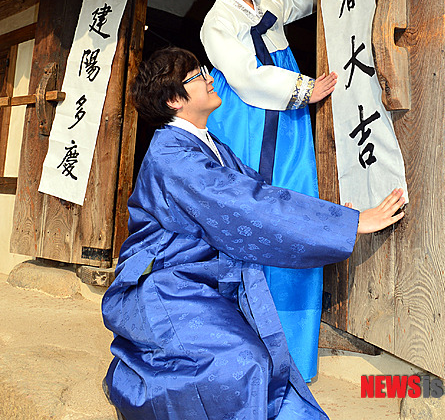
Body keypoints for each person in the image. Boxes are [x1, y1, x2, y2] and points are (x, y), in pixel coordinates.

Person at [101, 46, 405, 420]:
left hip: (201, 282)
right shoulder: (173, 156)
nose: (211, 79)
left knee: (272, 367)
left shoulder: (211, 147)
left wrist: (335, 214)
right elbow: (250, 206)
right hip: (167, 286)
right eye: (197, 77)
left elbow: (262, 192)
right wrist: (351, 223)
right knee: (245, 364)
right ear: (173, 100)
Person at [200, 0, 336, 381]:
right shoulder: (217, 21)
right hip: (249, 116)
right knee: (250, 214)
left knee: (295, 208)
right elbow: (244, 75)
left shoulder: (267, 4)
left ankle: (293, 347)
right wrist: (305, 89)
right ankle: (244, 345)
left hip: (289, 112)